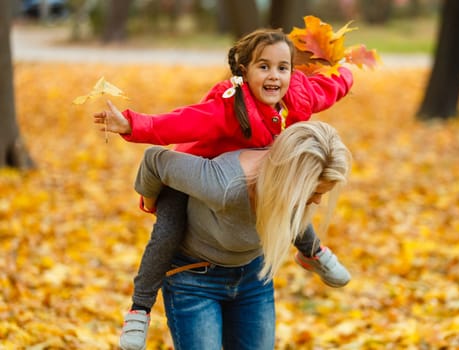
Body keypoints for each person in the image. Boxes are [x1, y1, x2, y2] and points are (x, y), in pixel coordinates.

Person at [93, 28, 353, 350]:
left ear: (292, 71)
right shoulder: (228, 107)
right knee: (168, 231)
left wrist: (344, 71)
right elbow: (180, 122)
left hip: (255, 236)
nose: (274, 76)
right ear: (244, 71)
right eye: (264, 67)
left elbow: (330, 88)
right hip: (194, 173)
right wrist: (132, 124)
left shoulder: (298, 97)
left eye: (282, 68)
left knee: (292, 187)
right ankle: (139, 309)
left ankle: (312, 252)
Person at [136, 121, 351, 349]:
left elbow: (291, 214)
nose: (318, 200)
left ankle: (314, 253)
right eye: (315, 192)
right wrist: (152, 203)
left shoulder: (287, 183)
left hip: (253, 277)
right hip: (194, 280)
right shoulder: (224, 184)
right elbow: (154, 160)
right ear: (291, 181)